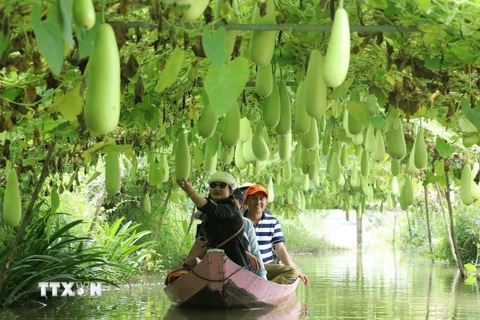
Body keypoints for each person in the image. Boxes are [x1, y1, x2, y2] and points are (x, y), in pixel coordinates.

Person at [177, 172, 248, 270]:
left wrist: (191, 192)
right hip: (212, 265)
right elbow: (209, 207)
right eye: (213, 185)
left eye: (222, 185)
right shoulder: (210, 214)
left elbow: (210, 208)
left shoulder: (230, 210)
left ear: (231, 191)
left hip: (233, 267)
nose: (217, 189)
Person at [243, 184, 309, 287]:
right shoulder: (239, 221)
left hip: (268, 266)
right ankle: (265, 289)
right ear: (246, 201)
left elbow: (280, 248)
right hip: (245, 267)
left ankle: (265, 290)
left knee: (293, 271)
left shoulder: (272, 221)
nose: (258, 202)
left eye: (261, 199)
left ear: (266, 202)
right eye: (254, 198)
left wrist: (296, 271)